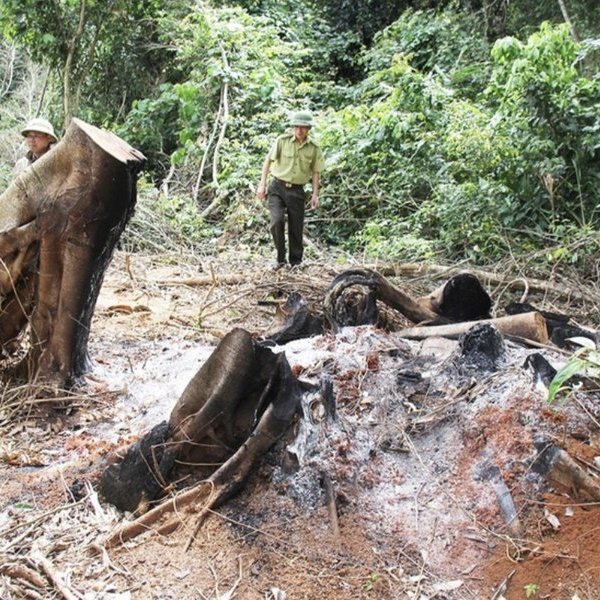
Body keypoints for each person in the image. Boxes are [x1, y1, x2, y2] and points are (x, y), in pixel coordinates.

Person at [257, 110, 324, 270]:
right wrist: (262, 184)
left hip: (297, 190)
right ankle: (280, 259)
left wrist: (315, 194)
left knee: (296, 227)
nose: (299, 130)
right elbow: (268, 161)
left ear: (308, 129)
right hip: (277, 188)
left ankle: (296, 262)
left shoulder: (314, 148)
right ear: (293, 127)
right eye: (296, 127)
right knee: (277, 221)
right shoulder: (282, 141)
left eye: (303, 127)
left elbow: (316, 172)